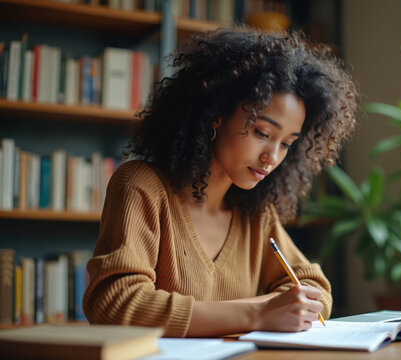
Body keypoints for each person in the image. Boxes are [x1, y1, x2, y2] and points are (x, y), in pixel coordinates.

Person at [82, 27, 358, 338]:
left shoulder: (254, 214)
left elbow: (315, 290)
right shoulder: (142, 186)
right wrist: (260, 312)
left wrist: (282, 306)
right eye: (263, 134)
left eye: (286, 143)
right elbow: (115, 304)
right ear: (216, 116)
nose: (272, 157)